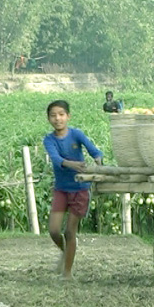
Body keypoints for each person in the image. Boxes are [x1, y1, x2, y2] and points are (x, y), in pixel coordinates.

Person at [43, 100, 103, 279]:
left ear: (68, 116)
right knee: (54, 231)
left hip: (80, 189)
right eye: (53, 115)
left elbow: (94, 151)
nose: (57, 119)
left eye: (61, 114)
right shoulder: (49, 139)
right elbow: (56, 159)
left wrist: (98, 163)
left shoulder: (76, 134)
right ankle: (66, 251)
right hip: (61, 189)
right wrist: (73, 164)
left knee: (70, 231)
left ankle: (67, 273)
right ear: (48, 119)